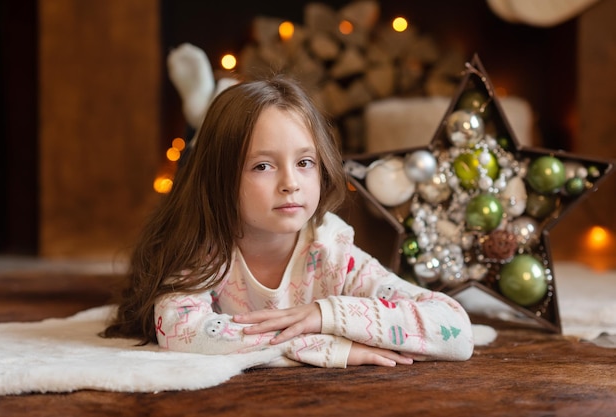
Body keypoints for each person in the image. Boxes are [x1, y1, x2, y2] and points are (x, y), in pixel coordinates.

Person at [103, 75, 474, 368]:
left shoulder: (332, 252)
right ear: (220, 177)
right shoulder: (204, 248)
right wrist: (325, 345)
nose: (291, 184)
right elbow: (184, 334)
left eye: (304, 162)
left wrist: (325, 314)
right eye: (263, 166)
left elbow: (455, 329)